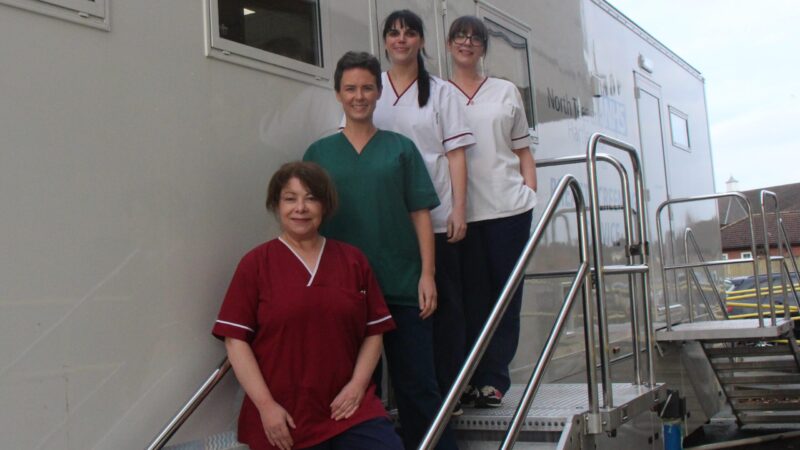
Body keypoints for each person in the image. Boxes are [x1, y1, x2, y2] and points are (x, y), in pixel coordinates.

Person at [304, 51, 459, 450]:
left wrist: (427, 274)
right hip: (344, 295)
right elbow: (304, 223)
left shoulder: (400, 149)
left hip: (403, 285)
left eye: (367, 88)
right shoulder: (318, 156)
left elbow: (421, 214)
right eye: (350, 88)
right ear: (337, 94)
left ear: (378, 94)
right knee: (356, 393)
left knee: (418, 386)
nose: (359, 96)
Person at [212, 161, 403, 450]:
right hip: (285, 416)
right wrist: (266, 406)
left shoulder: (353, 261)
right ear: (276, 206)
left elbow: (373, 332)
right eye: (290, 198)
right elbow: (235, 341)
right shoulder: (256, 264)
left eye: (311, 198)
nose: (300, 208)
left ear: (325, 206)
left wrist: (357, 386)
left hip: (349, 408)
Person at [371, 9, 475, 415]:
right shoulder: (372, 88)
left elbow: (456, 155)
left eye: (409, 33)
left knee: (443, 307)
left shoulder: (441, 93)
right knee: (392, 311)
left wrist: (459, 209)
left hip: (434, 217)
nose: (401, 40)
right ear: (384, 42)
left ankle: (449, 391)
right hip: (386, 223)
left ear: (421, 42)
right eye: (393, 33)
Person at [445, 16, 538, 408]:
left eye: (475, 38)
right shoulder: (437, 92)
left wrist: (529, 192)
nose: (467, 43)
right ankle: (467, 376)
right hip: (460, 210)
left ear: (484, 47)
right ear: (449, 45)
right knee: (467, 298)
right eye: (460, 37)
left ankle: (494, 378)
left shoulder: (504, 91)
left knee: (505, 295)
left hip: (507, 209)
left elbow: (523, 151)